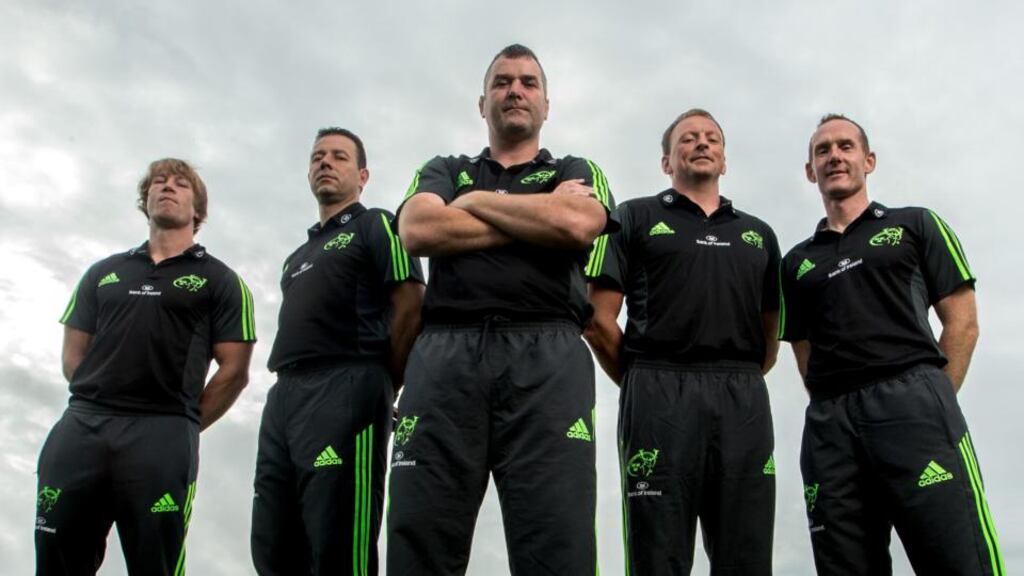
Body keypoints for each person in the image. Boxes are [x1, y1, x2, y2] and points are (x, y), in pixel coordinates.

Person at [387, 44, 614, 575]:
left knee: (558, 541)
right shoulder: (443, 167)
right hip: (446, 356)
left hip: (548, 355)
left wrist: (471, 204)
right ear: (482, 101)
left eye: (529, 82)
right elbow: (419, 229)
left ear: (547, 105)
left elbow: (578, 225)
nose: (515, 90)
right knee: (420, 535)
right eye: (503, 82)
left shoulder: (577, 168)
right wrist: (540, 214)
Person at [779, 114, 1005, 575]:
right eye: (822, 151)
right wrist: (833, 404)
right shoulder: (796, 262)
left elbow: (962, 324)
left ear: (869, 160)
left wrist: (933, 398)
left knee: (957, 558)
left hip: (914, 403)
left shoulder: (915, 224)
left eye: (845, 146)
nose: (834, 156)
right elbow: (803, 350)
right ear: (809, 171)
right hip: (830, 425)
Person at [36, 158, 256, 575]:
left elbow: (234, 371)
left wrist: (184, 421)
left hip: (163, 433)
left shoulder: (221, 280)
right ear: (145, 198)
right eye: (159, 182)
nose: (167, 188)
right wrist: (99, 394)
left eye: (180, 184)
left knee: (156, 563)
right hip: (83, 425)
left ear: (198, 209)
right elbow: (73, 354)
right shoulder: (103, 273)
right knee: (55, 558)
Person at [586, 109, 780, 575]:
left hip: (741, 395)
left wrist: (742, 377)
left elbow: (771, 334)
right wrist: (639, 380)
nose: (701, 143)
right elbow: (597, 319)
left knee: (746, 555)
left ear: (725, 160)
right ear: (666, 162)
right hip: (658, 390)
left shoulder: (759, 235)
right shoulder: (632, 217)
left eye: (711, 138)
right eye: (687, 139)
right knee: (657, 554)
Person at [251, 128, 424, 575]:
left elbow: (411, 305)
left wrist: (385, 382)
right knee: (272, 543)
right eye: (317, 157)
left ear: (362, 175)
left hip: (350, 386)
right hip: (285, 394)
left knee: (338, 541)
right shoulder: (296, 257)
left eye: (339, 157)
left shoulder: (377, 224)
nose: (325, 163)